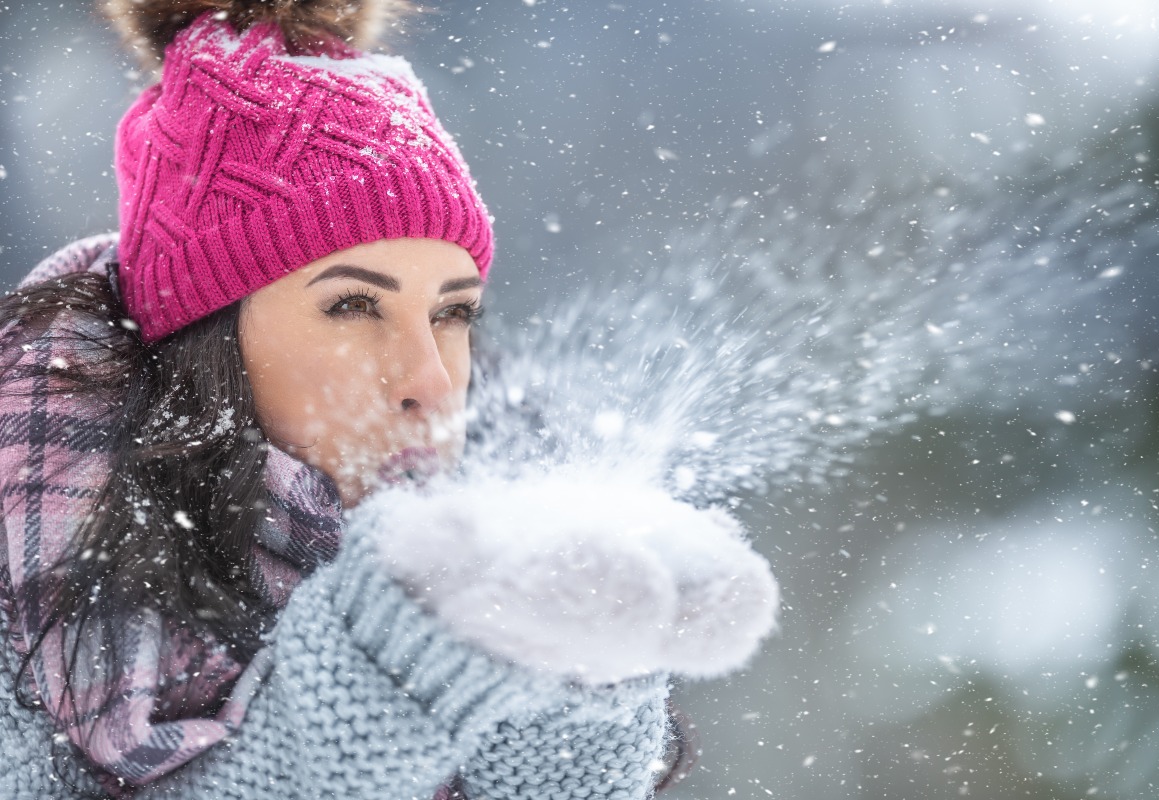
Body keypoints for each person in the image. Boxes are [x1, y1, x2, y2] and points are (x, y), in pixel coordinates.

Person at [0, 1, 777, 797]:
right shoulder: (16, 616)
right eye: (353, 306)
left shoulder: (487, 531)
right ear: (205, 337)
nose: (430, 383)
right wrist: (400, 639)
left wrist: (575, 668)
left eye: (452, 314)